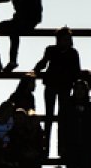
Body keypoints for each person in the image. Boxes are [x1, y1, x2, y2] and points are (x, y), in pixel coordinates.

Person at [33, 27, 81, 158]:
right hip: (57, 86)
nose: (68, 41)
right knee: (54, 118)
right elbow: (43, 63)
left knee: (59, 118)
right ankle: (52, 149)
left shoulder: (59, 51)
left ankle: (57, 149)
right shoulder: (66, 52)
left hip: (58, 86)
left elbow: (43, 64)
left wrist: (36, 70)